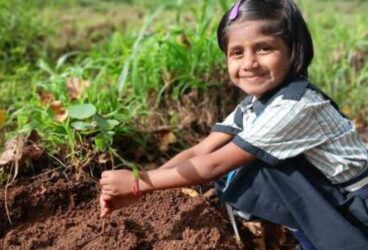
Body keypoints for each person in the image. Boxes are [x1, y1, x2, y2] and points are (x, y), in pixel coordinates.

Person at [99, 0, 368, 249]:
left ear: (293, 51)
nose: (249, 63)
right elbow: (199, 152)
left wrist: (138, 183)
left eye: (264, 48)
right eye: (237, 52)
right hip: (331, 197)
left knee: (246, 168)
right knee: (250, 163)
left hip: (357, 206)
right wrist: (143, 189)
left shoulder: (295, 106)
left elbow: (211, 165)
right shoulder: (254, 104)